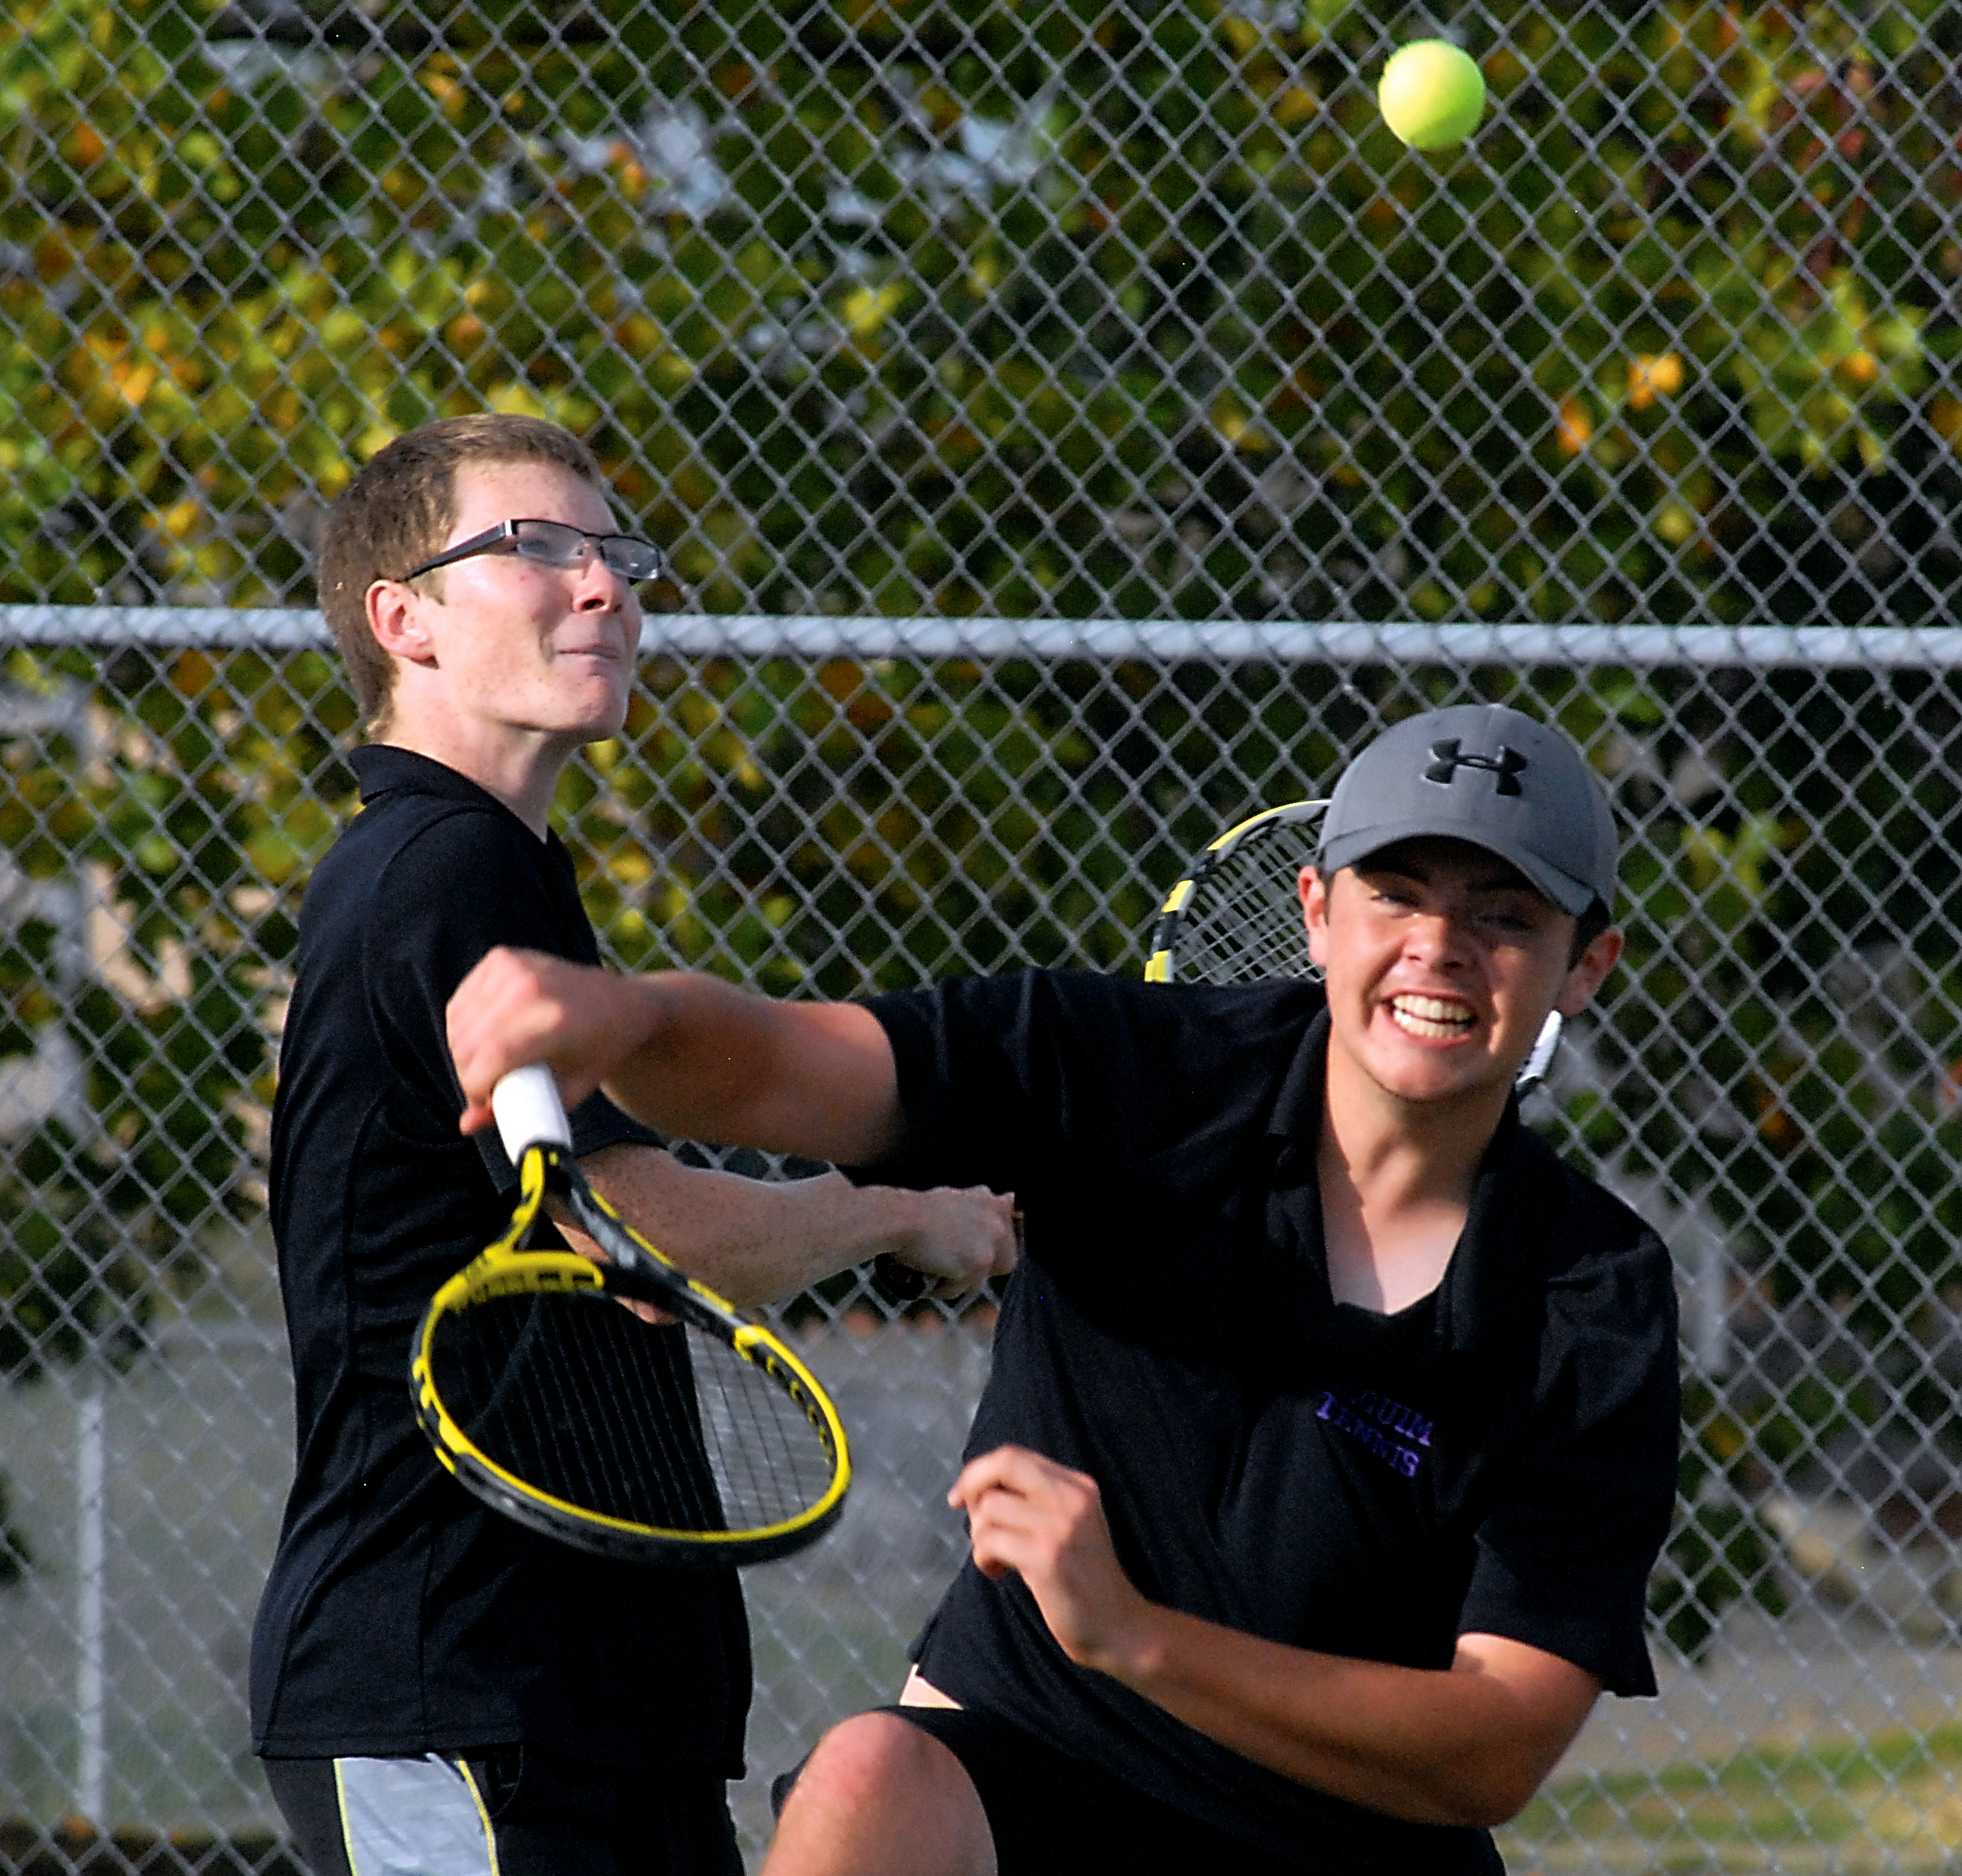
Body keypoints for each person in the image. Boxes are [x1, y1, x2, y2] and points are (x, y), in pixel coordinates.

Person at [443, 702, 1681, 1876]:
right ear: (1316, 912)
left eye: (1503, 918)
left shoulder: (1592, 1294)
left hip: (1349, 1841)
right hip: (1031, 1771)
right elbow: (782, 1067)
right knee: (870, 1773)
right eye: (1395, 895)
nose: (1439, 948)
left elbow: (1494, 1746)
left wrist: (1133, 1634)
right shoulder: (1127, 1068)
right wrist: (627, 1015)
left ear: (1586, 966)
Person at [248, 414, 1018, 1876]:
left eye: (616, 553)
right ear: (402, 620)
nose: (604, 585)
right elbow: (642, 1236)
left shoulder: (505, 869)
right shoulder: (439, 867)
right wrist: (900, 1212)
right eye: (537, 548)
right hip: (450, 1698)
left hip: (596, 1711)